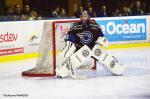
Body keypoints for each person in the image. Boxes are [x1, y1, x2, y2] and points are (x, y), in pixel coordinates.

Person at [56, 11, 125, 78]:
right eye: (81, 16)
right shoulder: (75, 26)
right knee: (74, 59)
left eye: (85, 16)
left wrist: (101, 42)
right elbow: (70, 39)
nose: (83, 18)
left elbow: (102, 37)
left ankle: (117, 69)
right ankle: (62, 71)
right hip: (79, 49)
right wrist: (69, 46)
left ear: (89, 17)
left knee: (104, 57)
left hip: (93, 48)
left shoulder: (95, 26)